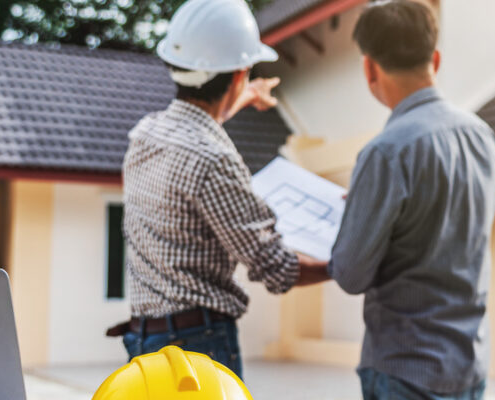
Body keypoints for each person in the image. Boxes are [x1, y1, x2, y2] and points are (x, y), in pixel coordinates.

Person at [107, 0, 330, 379]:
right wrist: (351, 264)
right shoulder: (214, 160)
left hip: (145, 343)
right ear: (240, 73)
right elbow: (275, 267)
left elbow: (200, 119)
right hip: (198, 347)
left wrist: (244, 94)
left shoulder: (146, 133)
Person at [327, 1, 495, 399]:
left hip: (405, 369)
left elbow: (351, 273)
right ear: (435, 59)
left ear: (369, 67)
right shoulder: (484, 138)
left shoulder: (385, 153)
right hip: (469, 366)